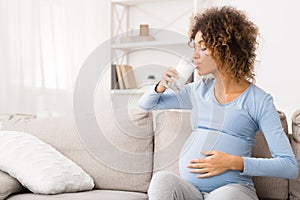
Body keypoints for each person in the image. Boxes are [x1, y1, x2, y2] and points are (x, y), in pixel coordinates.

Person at [138, 6, 298, 200]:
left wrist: (234, 162)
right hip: (191, 191)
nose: (195, 55)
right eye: (195, 47)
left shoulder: (259, 100)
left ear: (226, 48)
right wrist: (160, 86)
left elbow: (288, 166)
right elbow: (147, 104)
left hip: (232, 190)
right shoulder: (197, 91)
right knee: (161, 181)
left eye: (203, 47)